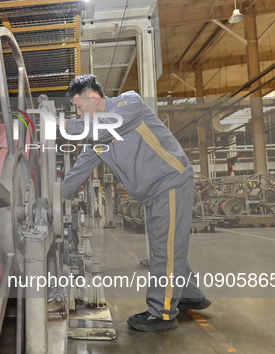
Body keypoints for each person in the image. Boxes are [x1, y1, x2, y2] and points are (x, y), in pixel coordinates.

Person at [60, 74, 210, 332]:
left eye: (78, 106)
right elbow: (81, 167)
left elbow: (104, 128)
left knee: (164, 248)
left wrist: (55, 125)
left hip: (170, 180)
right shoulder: (98, 138)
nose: (77, 113)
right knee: (167, 244)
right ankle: (190, 294)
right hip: (153, 193)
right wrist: (57, 196)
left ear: (93, 98)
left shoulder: (129, 104)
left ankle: (161, 313)